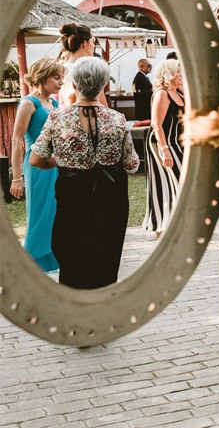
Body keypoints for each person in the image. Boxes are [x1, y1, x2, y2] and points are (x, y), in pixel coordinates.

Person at [30, 57, 139, 289]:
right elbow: (132, 165)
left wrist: (63, 159)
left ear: (75, 85)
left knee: (72, 261)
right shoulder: (118, 119)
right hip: (110, 198)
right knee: (105, 261)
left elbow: (36, 159)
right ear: (102, 86)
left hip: (73, 195)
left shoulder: (58, 117)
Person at [9, 57, 66, 272]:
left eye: (62, 78)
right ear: (42, 77)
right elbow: (16, 140)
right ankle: (31, 261)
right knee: (39, 212)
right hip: (36, 166)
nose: (61, 82)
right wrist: (16, 178)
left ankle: (54, 257)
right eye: (56, 78)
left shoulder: (54, 103)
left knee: (56, 211)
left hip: (56, 164)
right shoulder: (28, 103)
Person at [142, 59, 185, 236]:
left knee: (181, 181)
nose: (182, 76)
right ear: (169, 74)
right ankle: (162, 224)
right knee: (166, 182)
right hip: (161, 142)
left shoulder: (178, 93)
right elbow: (156, 124)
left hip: (177, 142)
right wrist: (165, 150)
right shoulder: (162, 94)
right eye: (178, 72)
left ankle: (177, 222)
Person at [56, 23, 107, 108]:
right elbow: (103, 106)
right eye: (92, 41)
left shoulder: (61, 69)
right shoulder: (89, 70)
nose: (94, 45)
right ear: (84, 44)